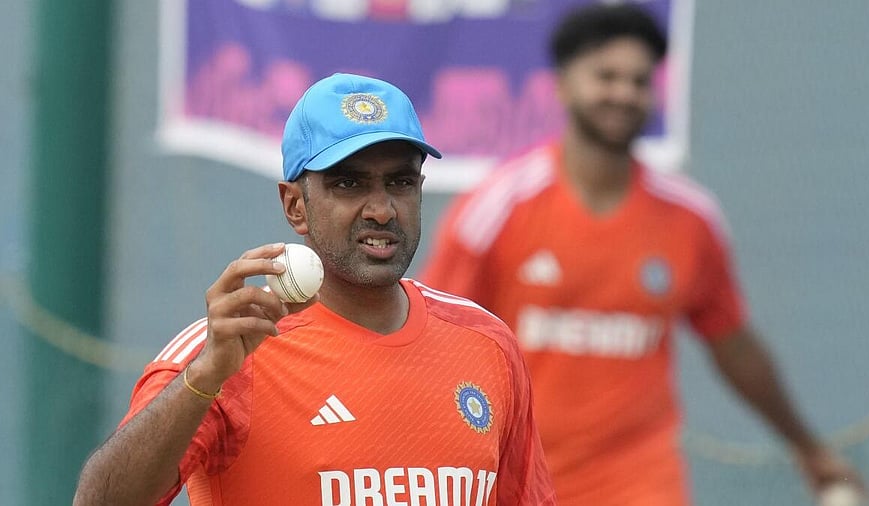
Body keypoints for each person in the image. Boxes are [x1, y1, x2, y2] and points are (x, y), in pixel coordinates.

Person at [419, 4, 867, 506]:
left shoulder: (690, 218)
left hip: (640, 479)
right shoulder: (497, 208)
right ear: (563, 85)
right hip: (516, 475)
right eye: (606, 76)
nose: (623, 93)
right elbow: (435, 338)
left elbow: (733, 343)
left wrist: (807, 447)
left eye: (638, 80)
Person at [73, 73, 557, 506]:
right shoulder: (229, 346)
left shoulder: (486, 342)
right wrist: (204, 377)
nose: (382, 209)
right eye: (349, 184)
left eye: (401, 182)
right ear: (295, 206)